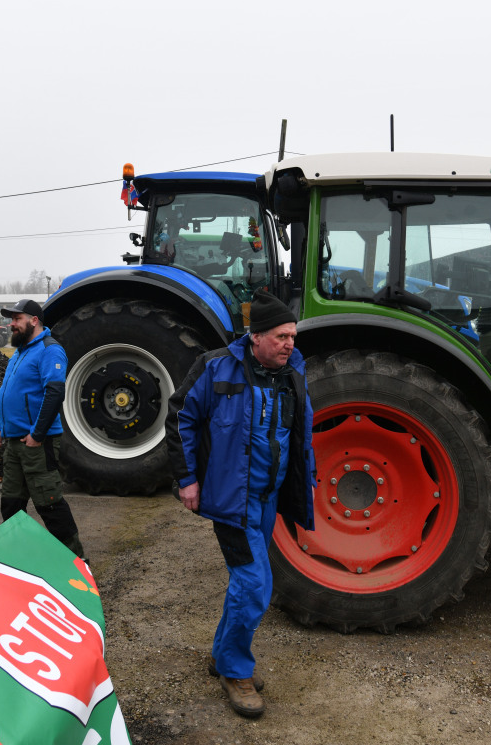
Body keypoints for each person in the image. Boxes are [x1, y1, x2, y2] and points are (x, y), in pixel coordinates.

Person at [165, 289, 316, 718]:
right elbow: (180, 419)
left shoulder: (293, 373)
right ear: (256, 337)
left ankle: (221, 654)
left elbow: (297, 436)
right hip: (233, 501)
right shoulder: (216, 368)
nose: (290, 343)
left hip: (268, 498)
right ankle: (235, 670)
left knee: (247, 582)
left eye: (293, 335)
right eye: (281, 336)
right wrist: (188, 480)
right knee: (253, 585)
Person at [0, 298, 85, 558]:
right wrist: (0, 426)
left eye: (17, 319)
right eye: (12, 319)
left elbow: (54, 393)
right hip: (13, 442)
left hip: (37, 443)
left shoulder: (49, 350)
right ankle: (18, 559)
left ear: (34, 320)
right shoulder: (20, 352)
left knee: (50, 504)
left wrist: (37, 434)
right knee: (11, 505)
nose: (12, 324)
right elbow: (11, 394)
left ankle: (77, 563)